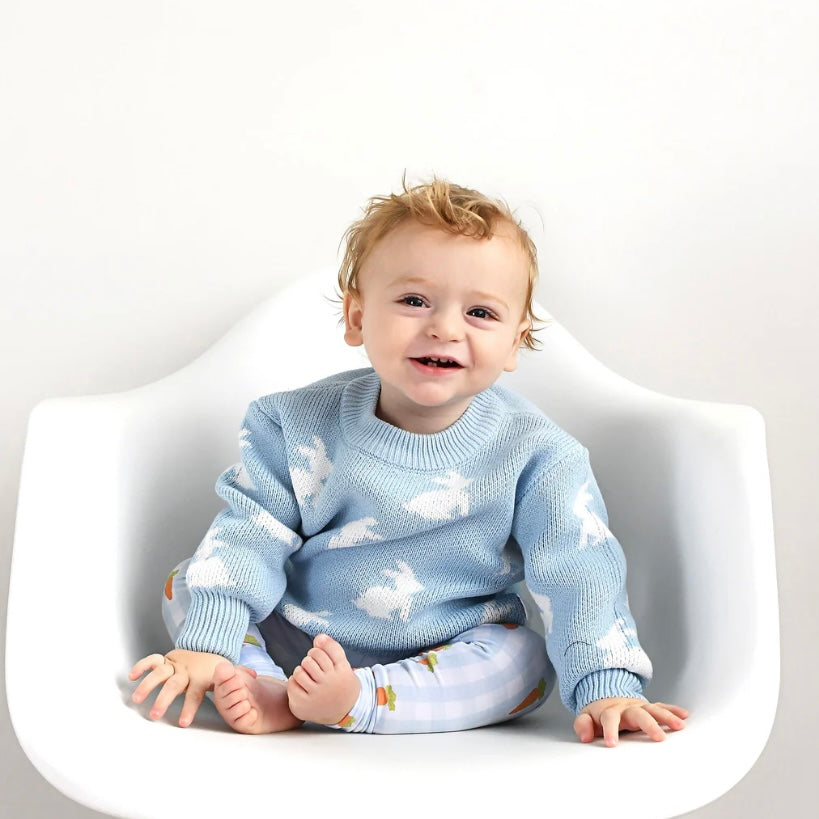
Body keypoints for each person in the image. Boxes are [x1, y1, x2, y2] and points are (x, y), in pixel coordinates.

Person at [130, 176, 688, 746]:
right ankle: (265, 686)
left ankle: (358, 701)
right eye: (414, 301)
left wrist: (606, 686)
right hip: (299, 636)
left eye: (480, 312)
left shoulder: (538, 454)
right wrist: (207, 645)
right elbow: (249, 535)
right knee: (191, 581)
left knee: (523, 659)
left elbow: (578, 570)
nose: (444, 327)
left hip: (444, 654)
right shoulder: (293, 424)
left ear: (516, 343)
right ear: (356, 317)